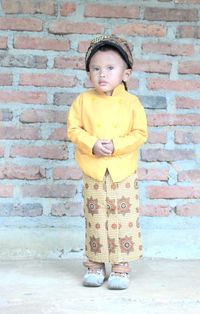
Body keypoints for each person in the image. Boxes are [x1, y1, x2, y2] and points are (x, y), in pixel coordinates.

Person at [67, 35, 148, 290]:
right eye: (96, 68)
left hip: (122, 171)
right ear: (89, 73)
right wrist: (91, 143)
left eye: (110, 68)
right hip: (93, 169)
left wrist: (116, 145)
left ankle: (121, 267)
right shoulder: (83, 101)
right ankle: (95, 264)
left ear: (126, 73)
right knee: (95, 216)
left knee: (123, 217)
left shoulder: (132, 102)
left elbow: (140, 134)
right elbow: (74, 130)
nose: (102, 74)